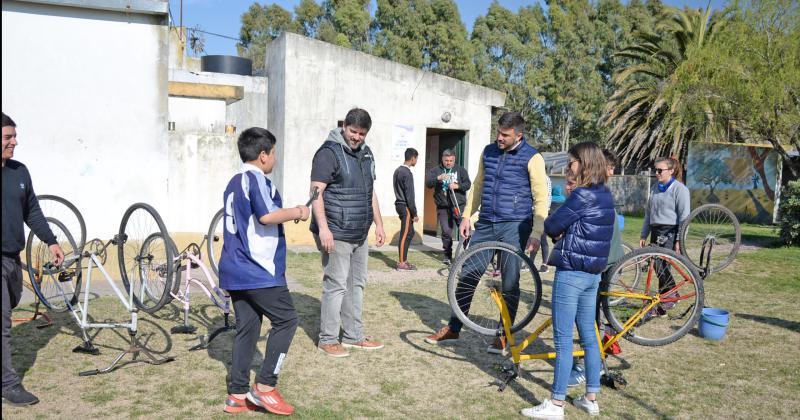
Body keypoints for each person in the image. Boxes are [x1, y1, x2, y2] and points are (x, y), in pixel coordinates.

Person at [425, 111, 549, 354]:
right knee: (468, 275)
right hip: (487, 223)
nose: (499, 138)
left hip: (515, 225)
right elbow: (479, 186)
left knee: (510, 282)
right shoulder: (488, 151)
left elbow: (541, 196)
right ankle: (454, 327)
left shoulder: (533, 157)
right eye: (498, 133)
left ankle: (504, 335)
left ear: (519, 135)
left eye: (505, 135)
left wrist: (536, 231)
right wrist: (466, 217)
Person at [521, 142, 615, 419]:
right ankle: (591, 398)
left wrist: (562, 227)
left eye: (572, 162)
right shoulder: (605, 194)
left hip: (572, 273)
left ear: (583, 164)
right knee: (589, 336)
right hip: (592, 276)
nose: (568, 167)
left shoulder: (582, 196)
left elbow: (551, 225)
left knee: (563, 340)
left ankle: (556, 404)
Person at [218, 127, 307, 415]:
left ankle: (237, 393)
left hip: (234, 269)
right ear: (263, 155)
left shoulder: (233, 182)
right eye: (274, 153)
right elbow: (267, 215)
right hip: (257, 270)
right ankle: (266, 387)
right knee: (288, 321)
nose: (276, 159)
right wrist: (297, 212)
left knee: (248, 328)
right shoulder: (255, 179)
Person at [310, 108, 386, 358]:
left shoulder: (366, 154)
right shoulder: (327, 153)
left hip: (360, 232)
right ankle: (328, 339)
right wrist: (323, 229)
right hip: (335, 231)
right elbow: (316, 192)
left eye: (361, 134)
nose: (356, 137)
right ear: (344, 126)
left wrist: (379, 223)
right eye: (353, 132)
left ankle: (354, 336)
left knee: (357, 285)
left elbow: (370, 191)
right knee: (336, 286)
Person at [2, 112, 65, 407]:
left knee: (11, 304)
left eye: (14, 136)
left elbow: (32, 212)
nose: (14, 142)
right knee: (2, 323)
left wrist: (50, 240)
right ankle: (8, 384)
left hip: (12, 259)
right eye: (8, 137)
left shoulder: (19, 172)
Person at [567, 148, 626, 388]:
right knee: (591, 316)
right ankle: (592, 364)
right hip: (601, 259)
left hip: (604, 261)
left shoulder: (596, 191)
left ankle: (586, 367)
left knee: (592, 317)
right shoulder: (596, 190)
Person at [640, 156, 690, 316]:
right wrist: (644, 234)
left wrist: (678, 240)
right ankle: (665, 299)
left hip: (670, 231)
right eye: (656, 170)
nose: (657, 173)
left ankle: (671, 297)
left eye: (660, 170)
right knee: (656, 265)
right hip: (656, 230)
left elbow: (684, 217)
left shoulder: (680, 189)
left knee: (662, 265)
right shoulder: (655, 188)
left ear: (671, 171)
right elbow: (649, 214)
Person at [425, 149, 471, 266]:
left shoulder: (460, 170)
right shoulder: (436, 170)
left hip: (458, 205)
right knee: (446, 231)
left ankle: (469, 253)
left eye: (451, 160)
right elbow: (428, 183)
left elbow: (468, 184)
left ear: (454, 159)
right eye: (446, 161)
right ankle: (447, 255)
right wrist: (438, 178)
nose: (448, 163)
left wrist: (457, 186)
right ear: (442, 159)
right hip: (443, 206)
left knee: (465, 230)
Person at [393, 148, 419, 271]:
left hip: (399, 205)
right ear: (413, 158)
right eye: (416, 159)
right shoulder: (407, 173)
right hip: (405, 206)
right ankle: (402, 263)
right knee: (404, 234)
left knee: (410, 232)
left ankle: (404, 259)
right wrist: (414, 213)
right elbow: (410, 196)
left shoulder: (397, 170)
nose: (416, 161)